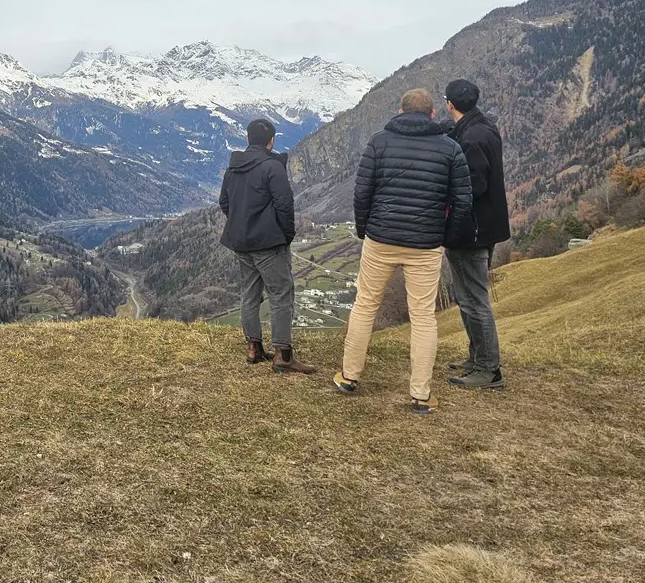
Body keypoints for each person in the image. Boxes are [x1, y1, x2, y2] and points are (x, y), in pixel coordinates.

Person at [333, 89, 472, 414]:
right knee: (423, 316)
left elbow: (361, 192)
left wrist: (365, 230)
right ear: (433, 115)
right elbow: (463, 201)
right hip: (425, 244)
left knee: (365, 304)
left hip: (381, 238)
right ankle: (421, 395)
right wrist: (444, 237)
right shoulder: (450, 148)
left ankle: (349, 377)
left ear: (399, 111)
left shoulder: (379, 142)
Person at [218, 118, 316, 375]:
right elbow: (285, 205)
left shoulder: (234, 167)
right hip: (269, 243)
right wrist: (285, 235)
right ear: (271, 141)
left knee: (249, 294)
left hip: (241, 242)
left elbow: (224, 202)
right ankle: (283, 355)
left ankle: (254, 347)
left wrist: (241, 224)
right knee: (281, 294)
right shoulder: (273, 167)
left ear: (248, 139)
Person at [442, 78, 511, 390]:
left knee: (473, 299)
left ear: (450, 104)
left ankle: (488, 368)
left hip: (472, 229)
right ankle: (477, 357)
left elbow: (472, 187)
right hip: (486, 225)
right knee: (468, 296)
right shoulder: (482, 126)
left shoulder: (470, 139)